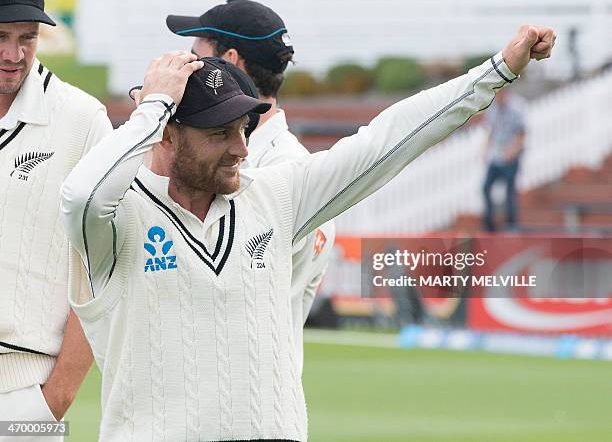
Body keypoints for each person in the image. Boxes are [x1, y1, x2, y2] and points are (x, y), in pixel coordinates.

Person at [61, 24, 555, 442]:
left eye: (244, 129)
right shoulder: (117, 218)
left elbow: (387, 140)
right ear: (168, 134)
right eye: (219, 134)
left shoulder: (276, 195)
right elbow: (81, 194)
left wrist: (497, 72)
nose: (241, 149)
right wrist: (153, 107)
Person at [166, 0, 336, 371]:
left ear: (229, 60)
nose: (187, 67)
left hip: (246, 388)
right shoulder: (289, 165)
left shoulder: (289, 171)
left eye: (197, 57)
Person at [0, 0, 112, 440]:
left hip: (27, 386)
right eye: (0, 37)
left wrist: (56, 396)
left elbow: (105, 267)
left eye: (28, 37)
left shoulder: (83, 121)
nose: (14, 55)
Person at [482, 87, 527, 232]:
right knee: (486, 187)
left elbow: (521, 134)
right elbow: (492, 132)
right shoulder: (492, 109)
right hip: (496, 156)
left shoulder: (517, 108)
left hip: (511, 157)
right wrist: (485, 150)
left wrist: (512, 152)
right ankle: (489, 223)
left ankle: (511, 225)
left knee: (509, 190)